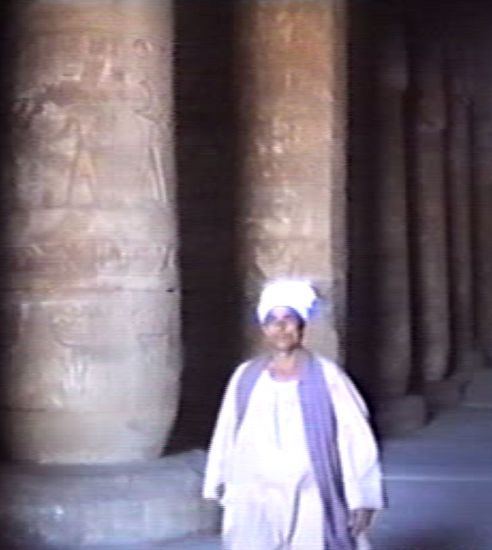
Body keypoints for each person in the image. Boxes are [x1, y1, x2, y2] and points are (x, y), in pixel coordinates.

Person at [203, 280, 384, 550]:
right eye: (272, 321)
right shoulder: (246, 376)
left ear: (301, 326)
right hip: (254, 493)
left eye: (288, 319)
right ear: (264, 328)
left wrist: (363, 497)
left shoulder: (328, 376)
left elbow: (356, 437)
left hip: (311, 491)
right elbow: (227, 432)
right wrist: (217, 480)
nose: (281, 327)